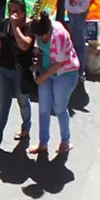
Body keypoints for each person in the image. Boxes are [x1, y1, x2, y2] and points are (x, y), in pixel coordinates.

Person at [0, 0, 34, 151]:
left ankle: (26, 128)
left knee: (23, 101)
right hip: (4, 70)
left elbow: (24, 45)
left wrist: (16, 27)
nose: (12, 14)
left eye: (16, 11)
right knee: (3, 105)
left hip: (20, 72)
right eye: (10, 11)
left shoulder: (28, 27)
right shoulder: (4, 24)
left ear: (23, 13)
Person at [28, 12, 81, 156]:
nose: (40, 39)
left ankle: (65, 141)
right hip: (47, 71)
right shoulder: (38, 31)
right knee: (43, 108)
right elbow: (38, 51)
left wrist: (42, 77)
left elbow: (59, 63)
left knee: (59, 108)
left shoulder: (60, 35)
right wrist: (37, 65)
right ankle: (43, 143)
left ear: (49, 30)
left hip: (65, 74)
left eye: (43, 36)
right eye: (38, 36)